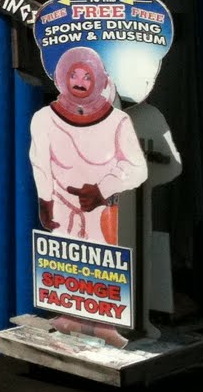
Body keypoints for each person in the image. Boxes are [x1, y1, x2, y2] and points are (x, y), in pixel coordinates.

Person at [28, 45, 147, 245]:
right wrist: (45, 202)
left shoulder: (118, 120)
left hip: (104, 218)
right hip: (62, 219)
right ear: (62, 77)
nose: (80, 82)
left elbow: (138, 168)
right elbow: (41, 166)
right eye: (74, 75)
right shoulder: (44, 119)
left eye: (87, 77)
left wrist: (102, 189)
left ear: (100, 81)